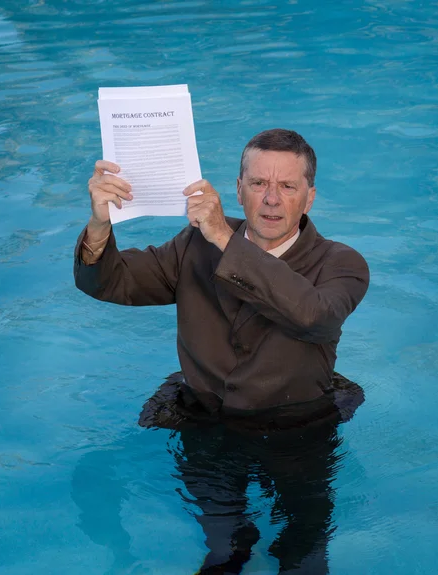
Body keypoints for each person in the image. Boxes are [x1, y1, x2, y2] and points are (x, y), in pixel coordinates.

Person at [73, 129, 369, 574]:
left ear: (309, 198)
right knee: (224, 549)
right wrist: (100, 223)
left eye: (287, 186)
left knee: (304, 553)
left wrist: (224, 238)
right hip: (207, 421)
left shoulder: (341, 262)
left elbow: (315, 317)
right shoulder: (195, 244)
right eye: (258, 184)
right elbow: (109, 282)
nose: (271, 199)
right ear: (238, 189)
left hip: (296, 427)